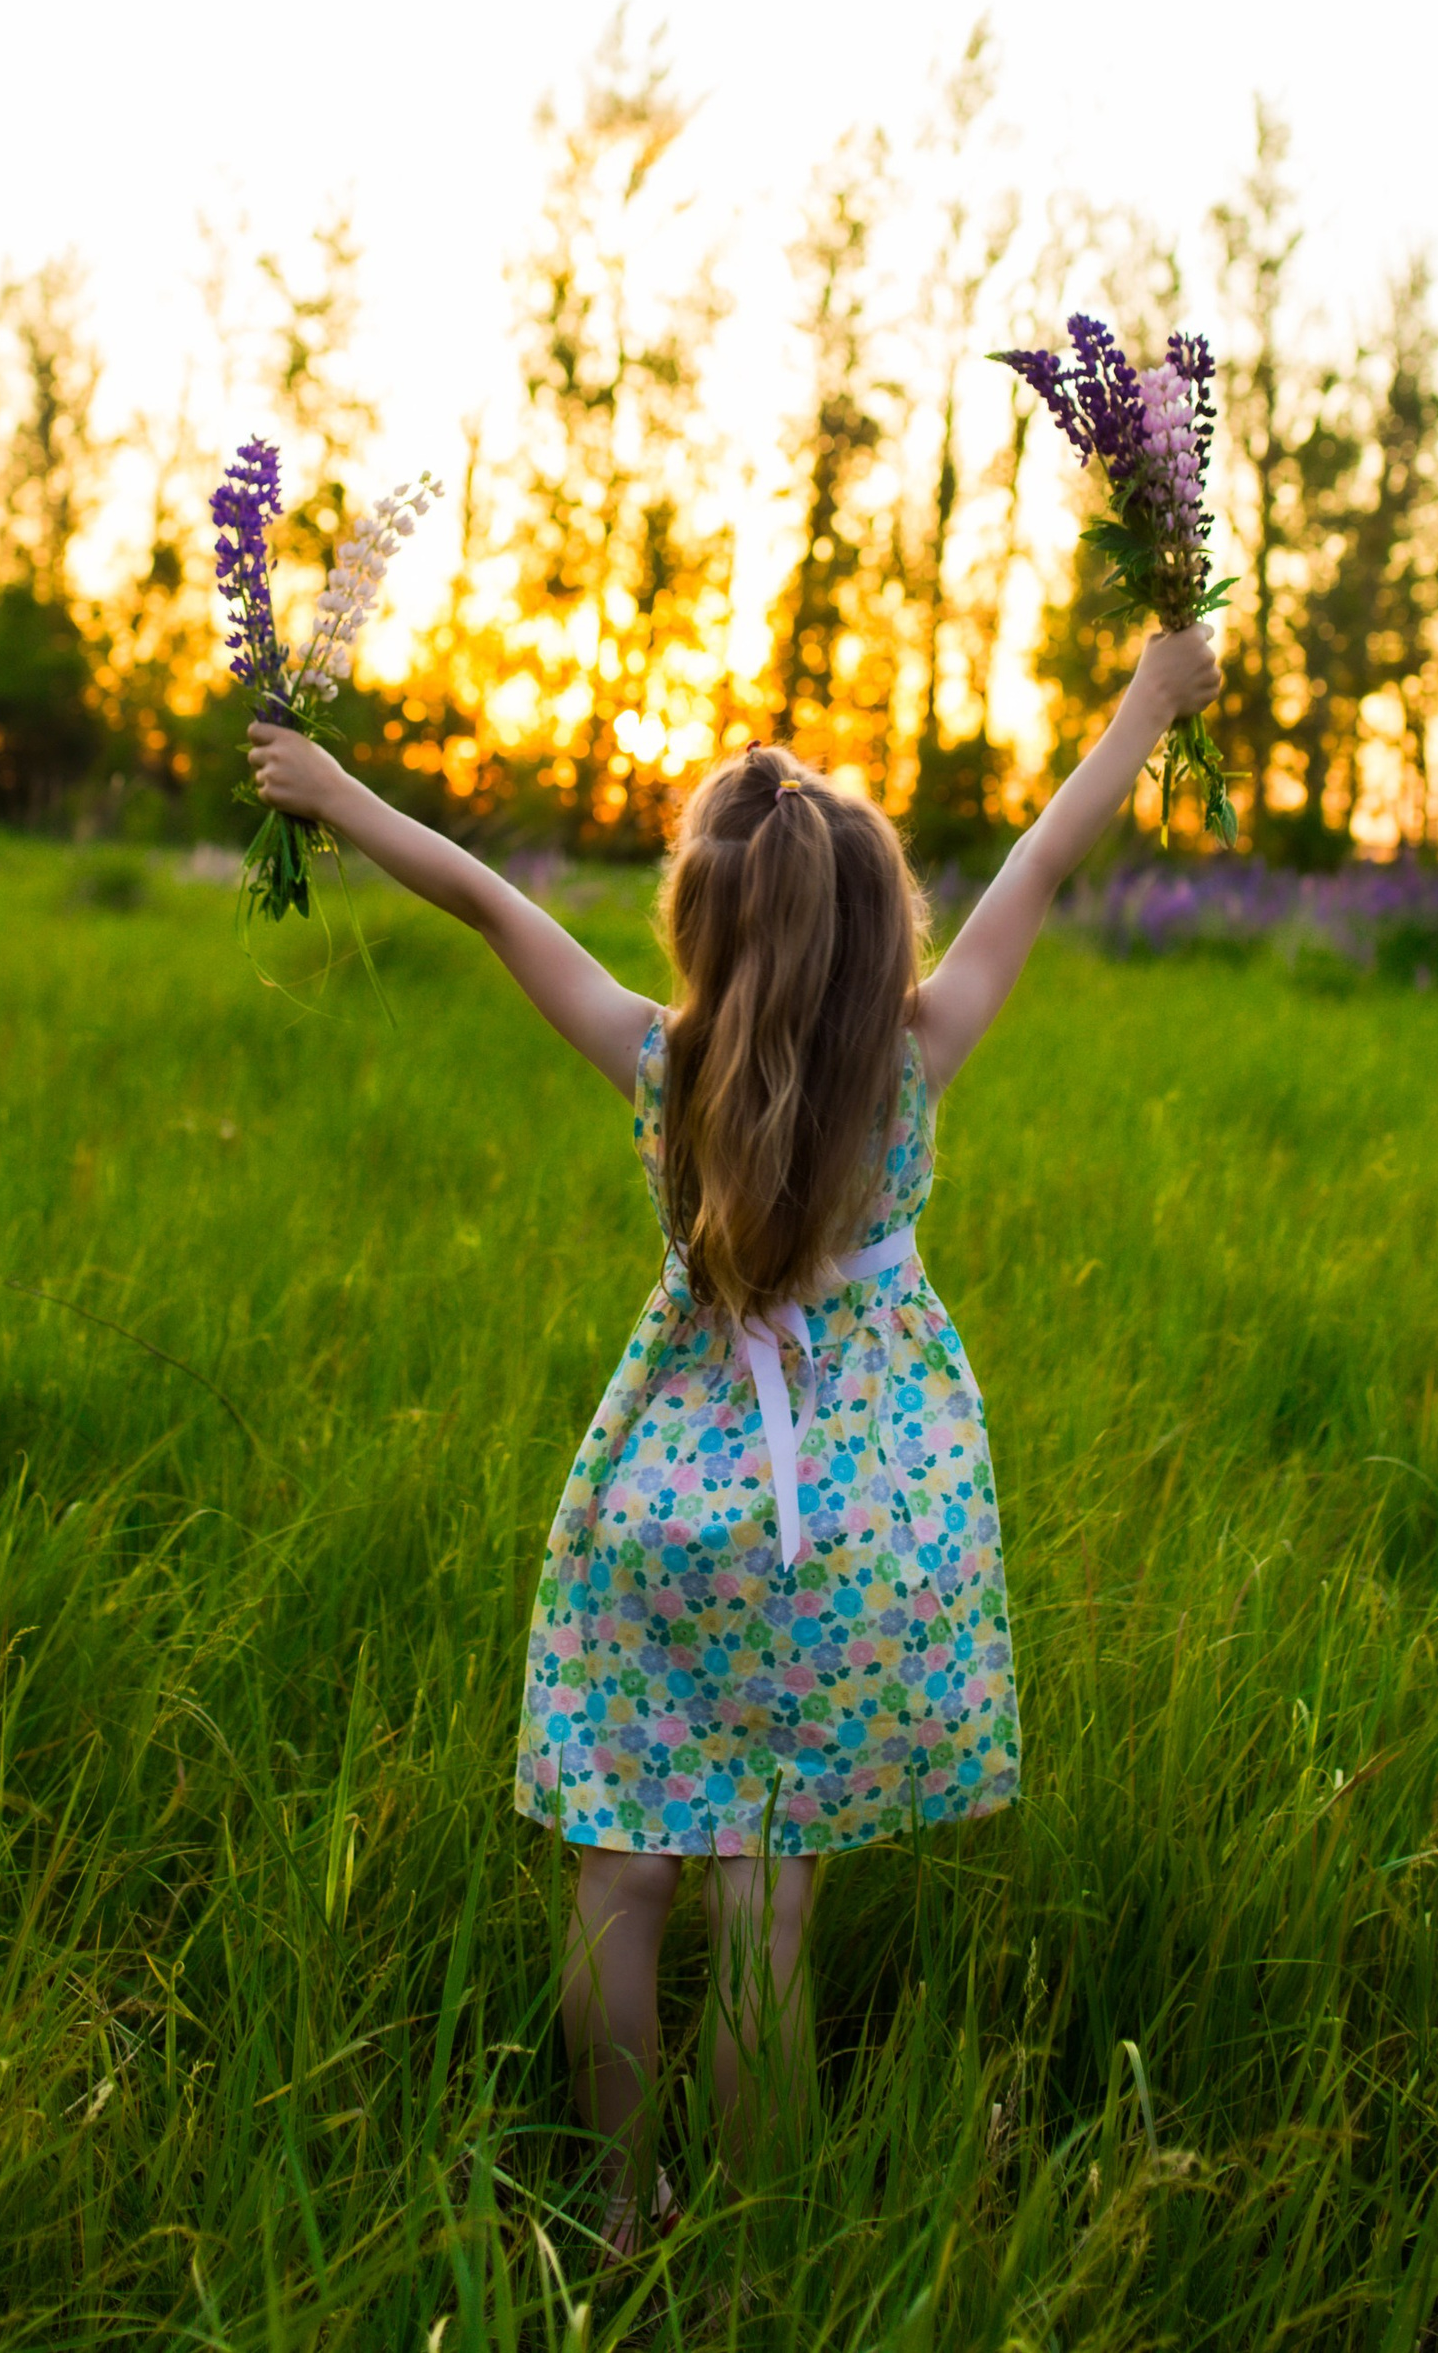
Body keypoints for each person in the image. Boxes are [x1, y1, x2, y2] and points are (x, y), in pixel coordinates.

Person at [246, 615, 1220, 2259]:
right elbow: (1049, 856)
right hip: (838, 1540)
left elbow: (492, 904)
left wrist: (335, 791)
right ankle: (762, 2229)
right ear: (875, 935)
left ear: (697, 927)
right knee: (767, 1903)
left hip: (658, 1509)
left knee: (621, 1881)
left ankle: (621, 2203)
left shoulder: (658, 1060)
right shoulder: (913, 1065)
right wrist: (1147, 699)